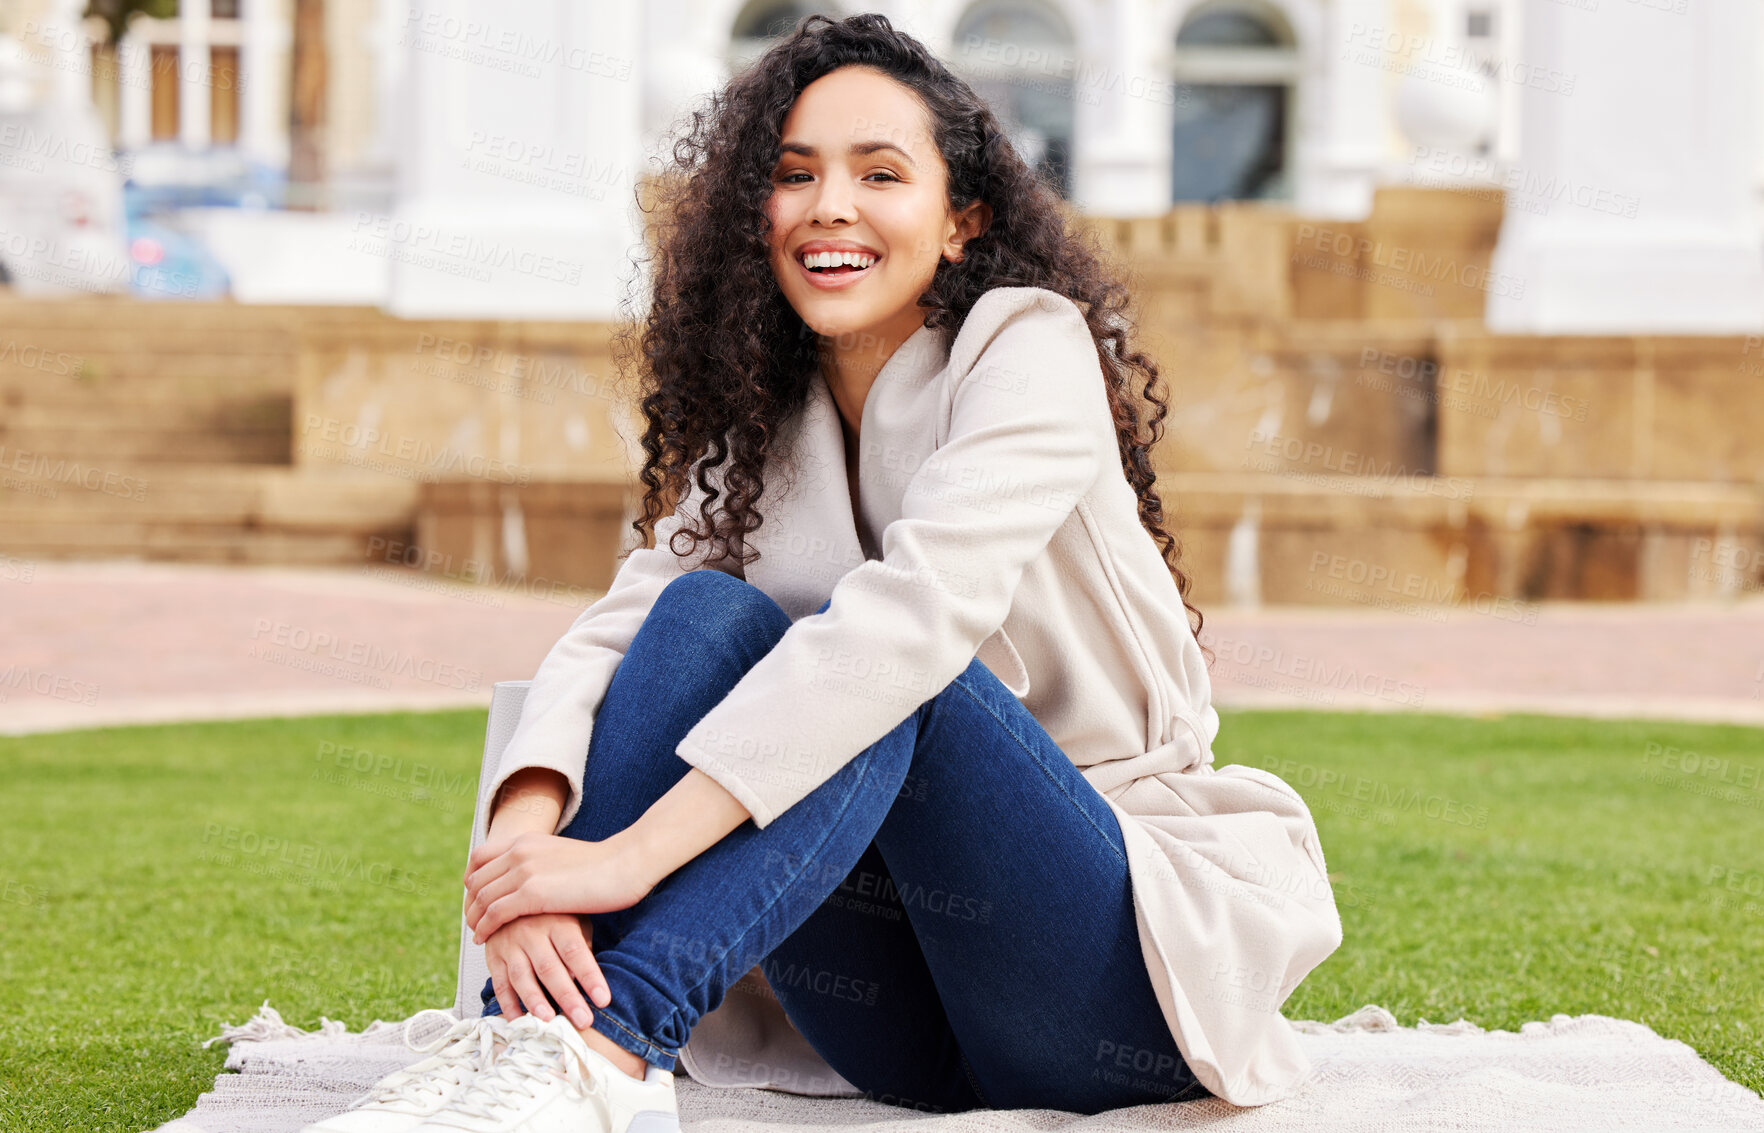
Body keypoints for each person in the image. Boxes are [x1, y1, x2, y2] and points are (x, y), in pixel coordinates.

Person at [303, 13, 1341, 1133]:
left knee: (898, 668)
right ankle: (542, 1029)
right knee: (704, 610)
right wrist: (527, 842)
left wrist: (623, 860)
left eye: (879, 173)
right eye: (793, 175)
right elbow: (623, 627)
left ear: (962, 221)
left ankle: (610, 1038)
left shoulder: (1026, 343)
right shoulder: (766, 415)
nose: (828, 205)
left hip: (1107, 975)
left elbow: (911, 623)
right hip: (901, 1020)